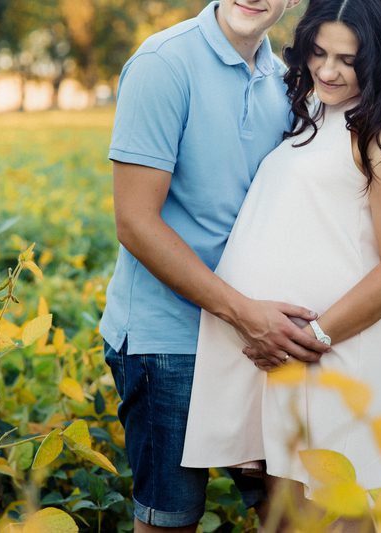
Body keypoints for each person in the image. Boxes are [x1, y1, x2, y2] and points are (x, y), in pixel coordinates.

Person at [182, 0, 381, 522]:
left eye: (348, 59)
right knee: (287, 518)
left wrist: (316, 336)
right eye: (318, 52)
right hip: (290, 359)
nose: (328, 69)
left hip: (340, 357)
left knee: (342, 512)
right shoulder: (314, 114)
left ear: (380, 59)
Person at [99, 0, 334, 531]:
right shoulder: (163, 63)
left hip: (257, 338)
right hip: (171, 339)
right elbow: (136, 223)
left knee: (293, 515)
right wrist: (242, 312)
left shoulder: (287, 80)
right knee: (170, 519)